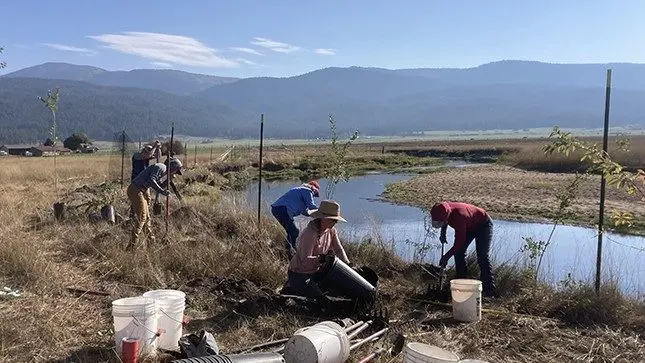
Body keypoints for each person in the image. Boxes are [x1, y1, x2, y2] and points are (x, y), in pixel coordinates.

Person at [282, 200, 351, 298]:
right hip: (300, 274)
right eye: (333, 219)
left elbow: (339, 249)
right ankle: (291, 288)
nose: (336, 222)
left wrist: (348, 265)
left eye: (336, 220)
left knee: (337, 291)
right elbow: (305, 261)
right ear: (323, 218)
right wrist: (321, 259)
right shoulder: (310, 233)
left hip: (316, 272)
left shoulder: (331, 230)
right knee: (324, 301)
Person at [429, 201, 498, 298]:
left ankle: (489, 291)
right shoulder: (441, 209)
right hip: (469, 224)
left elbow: (459, 242)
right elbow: (444, 220)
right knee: (459, 253)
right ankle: (461, 281)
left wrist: (446, 257)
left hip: (483, 224)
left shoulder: (459, 217)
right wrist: (442, 233)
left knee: (482, 256)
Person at [127, 157, 184, 249]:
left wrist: (168, 180)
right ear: (172, 167)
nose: (175, 173)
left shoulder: (164, 171)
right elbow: (151, 180)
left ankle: (151, 242)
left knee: (147, 218)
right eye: (175, 171)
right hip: (136, 189)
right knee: (142, 218)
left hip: (142, 191)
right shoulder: (161, 167)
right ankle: (131, 246)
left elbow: (158, 185)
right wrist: (162, 191)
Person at [271, 181, 320, 257]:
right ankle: (291, 251)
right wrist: (322, 212)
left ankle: (287, 250)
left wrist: (314, 215)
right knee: (294, 231)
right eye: (315, 194)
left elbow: (306, 212)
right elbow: (311, 206)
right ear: (313, 188)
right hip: (283, 209)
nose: (313, 196)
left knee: (291, 231)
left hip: (277, 209)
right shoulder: (307, 190)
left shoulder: (300, 192)